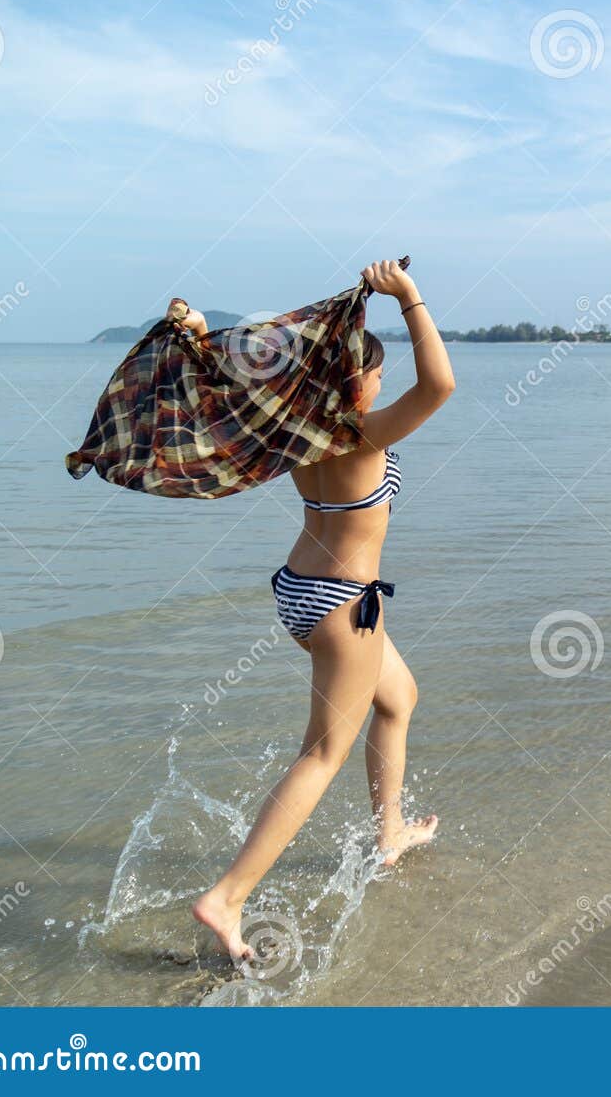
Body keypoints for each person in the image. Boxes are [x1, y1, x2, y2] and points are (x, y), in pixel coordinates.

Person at [192, 259, 455, 964]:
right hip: (342, 604)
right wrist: (409, 299)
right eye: (374, 373)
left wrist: (199, 339)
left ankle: (390, 832)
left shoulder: (294, 430)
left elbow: (228, 392)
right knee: (321, 752)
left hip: (304, 590)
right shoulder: (360, 434)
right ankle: (227, 897)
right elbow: (441, 385)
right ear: (356, 380)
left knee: (398, 697)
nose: (380, 383)